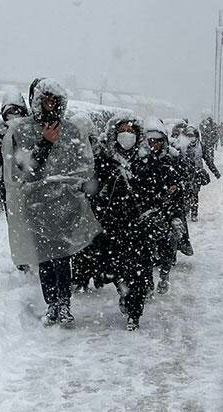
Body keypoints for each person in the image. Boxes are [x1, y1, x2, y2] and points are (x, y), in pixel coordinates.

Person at [2, 77, 100, 327]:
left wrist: (79, 190)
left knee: (62, 257)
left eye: (53, 100)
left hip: (65, 205)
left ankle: (64, 304)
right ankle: (52, 304)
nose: (49, 104)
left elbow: (82, 165)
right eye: (44, 99)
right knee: (45, 257)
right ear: (36, 101)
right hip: (37, 205)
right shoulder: (22, 130)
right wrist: (45, 144)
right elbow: (23, 171)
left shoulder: (71, 130)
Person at [90, 114, 155, 329]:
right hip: (113, 227)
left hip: (139, 227)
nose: (127, 136)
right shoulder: (105, 160)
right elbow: (95, 191)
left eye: (131, 131)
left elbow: (153, 192)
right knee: (118, 270)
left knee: (139, 272)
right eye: (122, 131)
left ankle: (134, 312)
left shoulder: (146, 161)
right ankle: (124, 294)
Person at [136, 121, 184, 295]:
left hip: (167, 211)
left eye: (157, 141)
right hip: (146, 212)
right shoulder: (140, 160)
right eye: (150, 141)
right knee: (145, 251)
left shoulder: (172, 159)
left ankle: (164, 275)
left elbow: (180, 184)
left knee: (166, 248)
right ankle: (148, 282)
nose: (154, 145)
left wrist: (175, 189)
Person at [0, 90, 29, 181]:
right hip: (7, 184)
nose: (14, 116)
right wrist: (2, 175)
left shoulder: (28, 129)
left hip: (27, 181)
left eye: (17, 111)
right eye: (10, 112)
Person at [198, 115, 222, 181]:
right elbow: (201, 130)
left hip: (210, 143)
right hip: (205, 143)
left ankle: (211, 163)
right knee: (208, 157)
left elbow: (216, 135)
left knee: (210, 156)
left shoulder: (213, 126)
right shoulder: (203, 125)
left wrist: (213, 141)